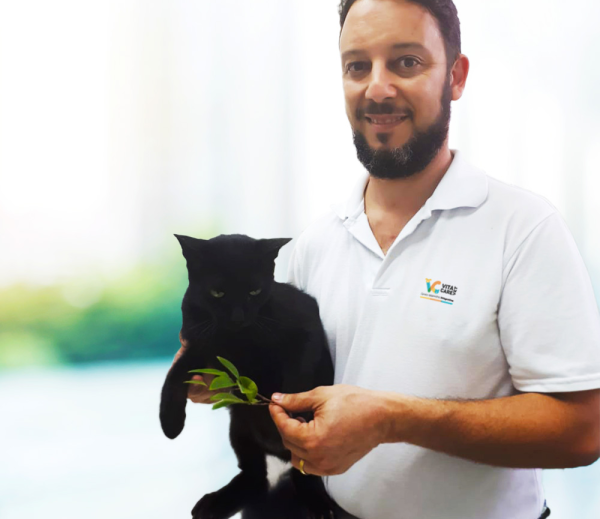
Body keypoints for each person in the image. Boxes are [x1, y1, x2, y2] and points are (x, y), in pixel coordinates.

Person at [176, 1, 600, 518]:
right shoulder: (313, 247)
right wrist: (219, 371)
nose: (377, 88)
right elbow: (282, 391)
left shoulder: (524, 229)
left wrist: (393, 419)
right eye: (358, 65)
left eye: (406, 62)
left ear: (456, 76)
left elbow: (583, 432)